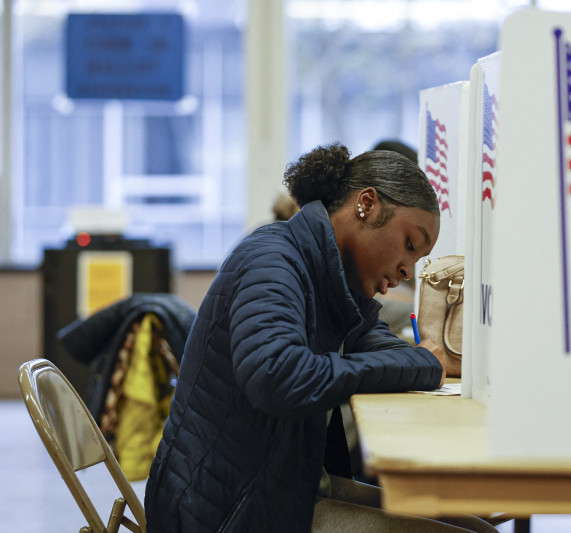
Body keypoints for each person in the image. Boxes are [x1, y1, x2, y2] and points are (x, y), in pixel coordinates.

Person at [144, 144, 497, 533]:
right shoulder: (273, 259)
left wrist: (425, 361)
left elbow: (374, 341)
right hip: (225, 513)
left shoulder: (328, 273)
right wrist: (422, 363)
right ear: (367, 205)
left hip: (280, 485)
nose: (407, 271)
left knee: (480, 528)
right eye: (409, 245)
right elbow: (277, 376)